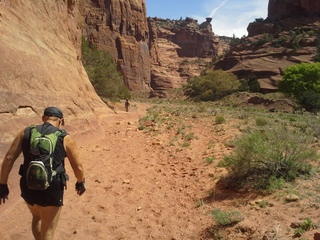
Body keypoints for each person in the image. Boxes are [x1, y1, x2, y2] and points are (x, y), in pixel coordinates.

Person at [0, 106, 86, 240]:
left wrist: (3, 184)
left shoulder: (26, 132)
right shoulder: (64, 137)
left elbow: (9, 158)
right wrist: (80, 182)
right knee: (49, 230)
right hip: (52, 188)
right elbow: (78, 167)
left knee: (36, 217)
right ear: (61, 121)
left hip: (28, 183)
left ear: (43, 118)